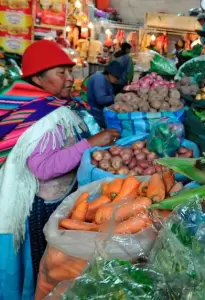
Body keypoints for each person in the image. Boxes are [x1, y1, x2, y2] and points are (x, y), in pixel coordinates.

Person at [0, 40, 120, 299]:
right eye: (61, 73)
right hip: (43, 208)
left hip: (59, 199)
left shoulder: (56, 105)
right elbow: (42, 168)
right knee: (49, 269)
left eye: (70, 71)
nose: (69, 79)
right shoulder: (42, 116)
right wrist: (90, 143)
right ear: (38, 78)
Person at [85, 61, 125, 128]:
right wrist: (116, 98)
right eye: (117, 77)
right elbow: (100, 99)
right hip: (95, 113)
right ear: (110, 73)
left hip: (100, 111)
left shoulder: (106, 79)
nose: (117, 80)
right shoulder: (99, 78)